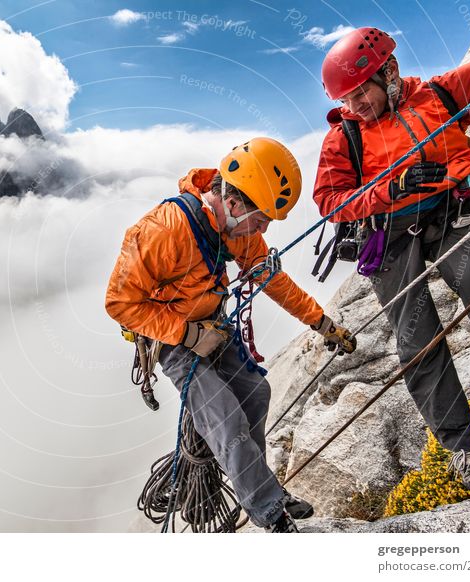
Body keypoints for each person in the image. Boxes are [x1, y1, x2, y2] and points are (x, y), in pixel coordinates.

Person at [314, 27, 470, 495]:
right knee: (418, 339)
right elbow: (330, 201)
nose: (356, 105)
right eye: (347, 98)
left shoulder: (440, 96)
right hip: (387, 238)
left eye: (361, 91)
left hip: (448, 213)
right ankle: (463, 452)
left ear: (389, 71)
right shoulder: (344, 137)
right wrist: (390, 188)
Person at [105, 138, 357, 532]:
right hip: (171, 338)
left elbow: (271, 280)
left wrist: (322, 322)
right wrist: (188, 336)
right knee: (225, 418)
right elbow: (120, 303)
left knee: (257, 395)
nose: (263, 230)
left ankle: (262, 485)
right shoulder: (162, 231)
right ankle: (268, 509)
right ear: (236, 203)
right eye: (262, 220)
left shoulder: (239, 229)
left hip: (212, 325)